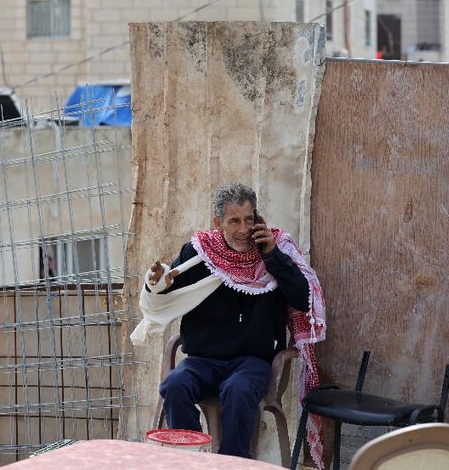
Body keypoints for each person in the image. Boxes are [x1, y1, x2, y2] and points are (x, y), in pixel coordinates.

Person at [132, 183, 326, 463]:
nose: (243, 229)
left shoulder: (275, 250)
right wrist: (159, 282)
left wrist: (272, 256)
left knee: (239, 390)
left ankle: (231, 464)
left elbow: (302, 297)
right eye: (234, 221)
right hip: (203, 360)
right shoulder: (200, 253)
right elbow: (168, 289)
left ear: (257, 219)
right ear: (218, 223)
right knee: (174, 385)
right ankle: (191, 460)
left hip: (252, 362)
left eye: (249, 219)